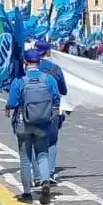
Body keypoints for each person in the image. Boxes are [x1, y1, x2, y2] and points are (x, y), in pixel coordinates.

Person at [6, 49, 59, 203]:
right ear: (39, 62)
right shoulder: (49, 80)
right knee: (42, 155)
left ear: (25, 62)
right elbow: (56, 100)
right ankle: (45, 182)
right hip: (43, 123)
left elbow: (12, 103)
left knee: (25, 159)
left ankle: (27, 193)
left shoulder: (19, 82)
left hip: (23, 123)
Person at [36, 42, 68, 177]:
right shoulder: (55, 69)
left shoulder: (30, 67)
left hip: (33, 109)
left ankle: (37, 174)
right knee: (52, 141)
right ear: (48, 52)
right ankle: (49, 172)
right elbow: (64, 90)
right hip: (52, 110)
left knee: (34, 141)